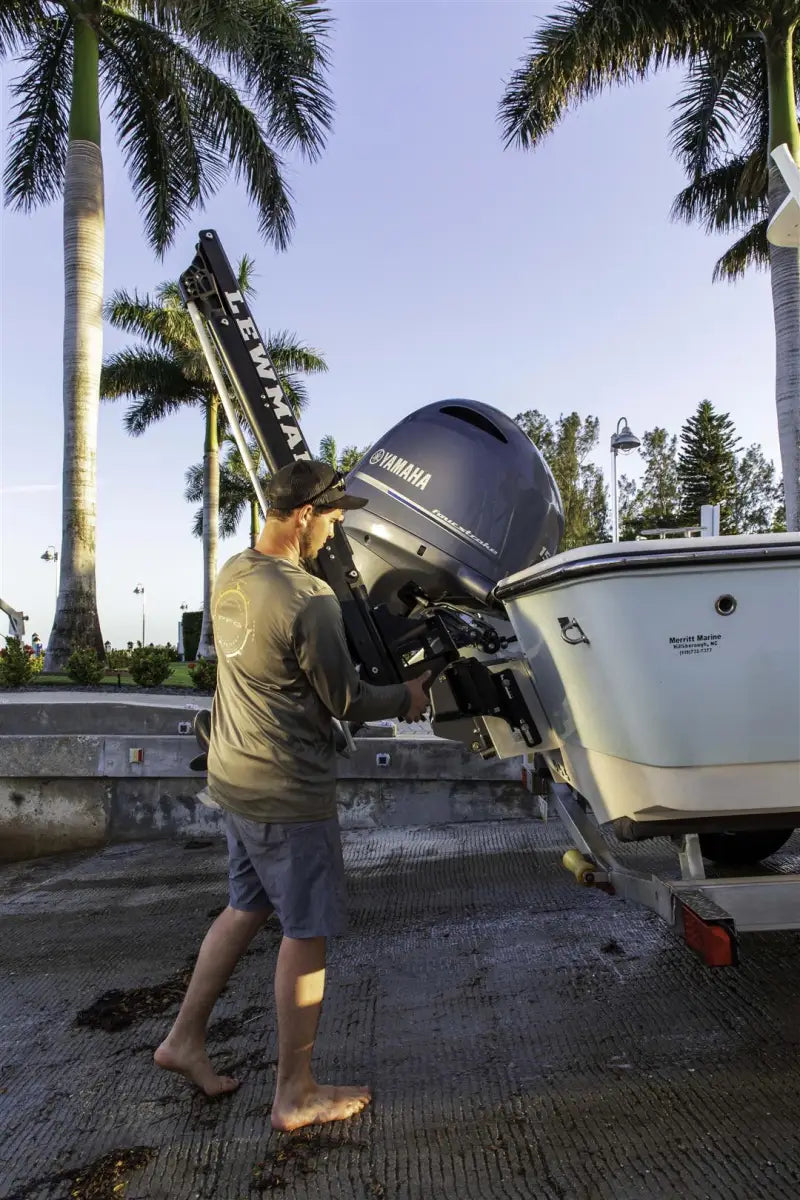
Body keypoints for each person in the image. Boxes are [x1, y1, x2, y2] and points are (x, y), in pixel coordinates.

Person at [155, 460, 430, 1131]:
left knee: (243, 907)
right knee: (305, 932)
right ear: (304, 514)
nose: (336, 530)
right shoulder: (308, 599)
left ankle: (182, 1040)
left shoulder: (233, 576)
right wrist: (411, 695)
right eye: (334, 516)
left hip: (235, 778)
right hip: (287, 791)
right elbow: (347, 700)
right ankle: (295, 1092)